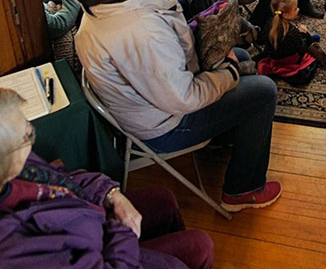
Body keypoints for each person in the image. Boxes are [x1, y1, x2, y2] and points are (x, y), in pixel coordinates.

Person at [74, 0, 281, 212]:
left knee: (242, 55)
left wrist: (204, 42)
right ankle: (242, 189)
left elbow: (161, 62)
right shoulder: (141, 27)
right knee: (263, 91)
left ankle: (225, 136)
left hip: (146, 108)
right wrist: (228, 74)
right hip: (163, 126)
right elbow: (182, 98)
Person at [0, 87, 214, 268]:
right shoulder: (12, 246)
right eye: (27, 134)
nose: (31, 133)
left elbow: (63, 178)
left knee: (164, 199)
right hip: (104, 251)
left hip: (93, 221)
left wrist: (111, 194)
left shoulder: (18, 168)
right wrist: (121, 232)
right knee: (199, 245)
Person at [258, 0, 326, 86]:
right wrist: (304, 34)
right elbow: (302, 50)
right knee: (307, 40)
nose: (298, 9)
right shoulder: (292, 32)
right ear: (286, 15)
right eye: (295, 9)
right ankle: (324, 59)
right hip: (289, 60)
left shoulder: (269, 23)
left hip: (274, 56)